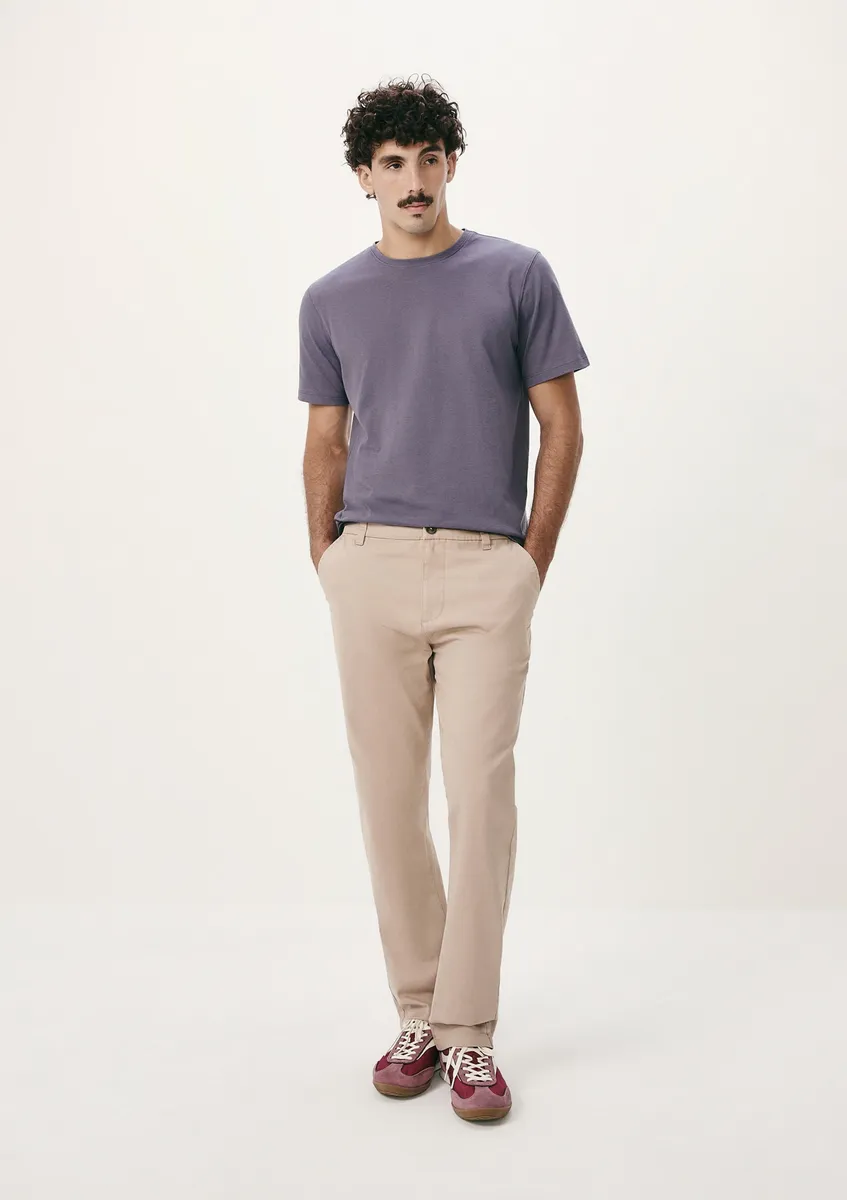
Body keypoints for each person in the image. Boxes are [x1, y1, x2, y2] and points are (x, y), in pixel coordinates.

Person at [298, 75, 589, 1122]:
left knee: (478, 797)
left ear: (451, 163)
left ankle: (469, 1034)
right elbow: (324, 441)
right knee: (388, 802)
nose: (413, 180)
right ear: (363, 176)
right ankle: (416, 1013)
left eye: (428, 158)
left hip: (484, 569)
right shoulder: (330, 299)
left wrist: (527, 562)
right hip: (368, 565)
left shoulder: (515, 275)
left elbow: (562, 426)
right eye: (393, 163)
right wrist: (329, 562)